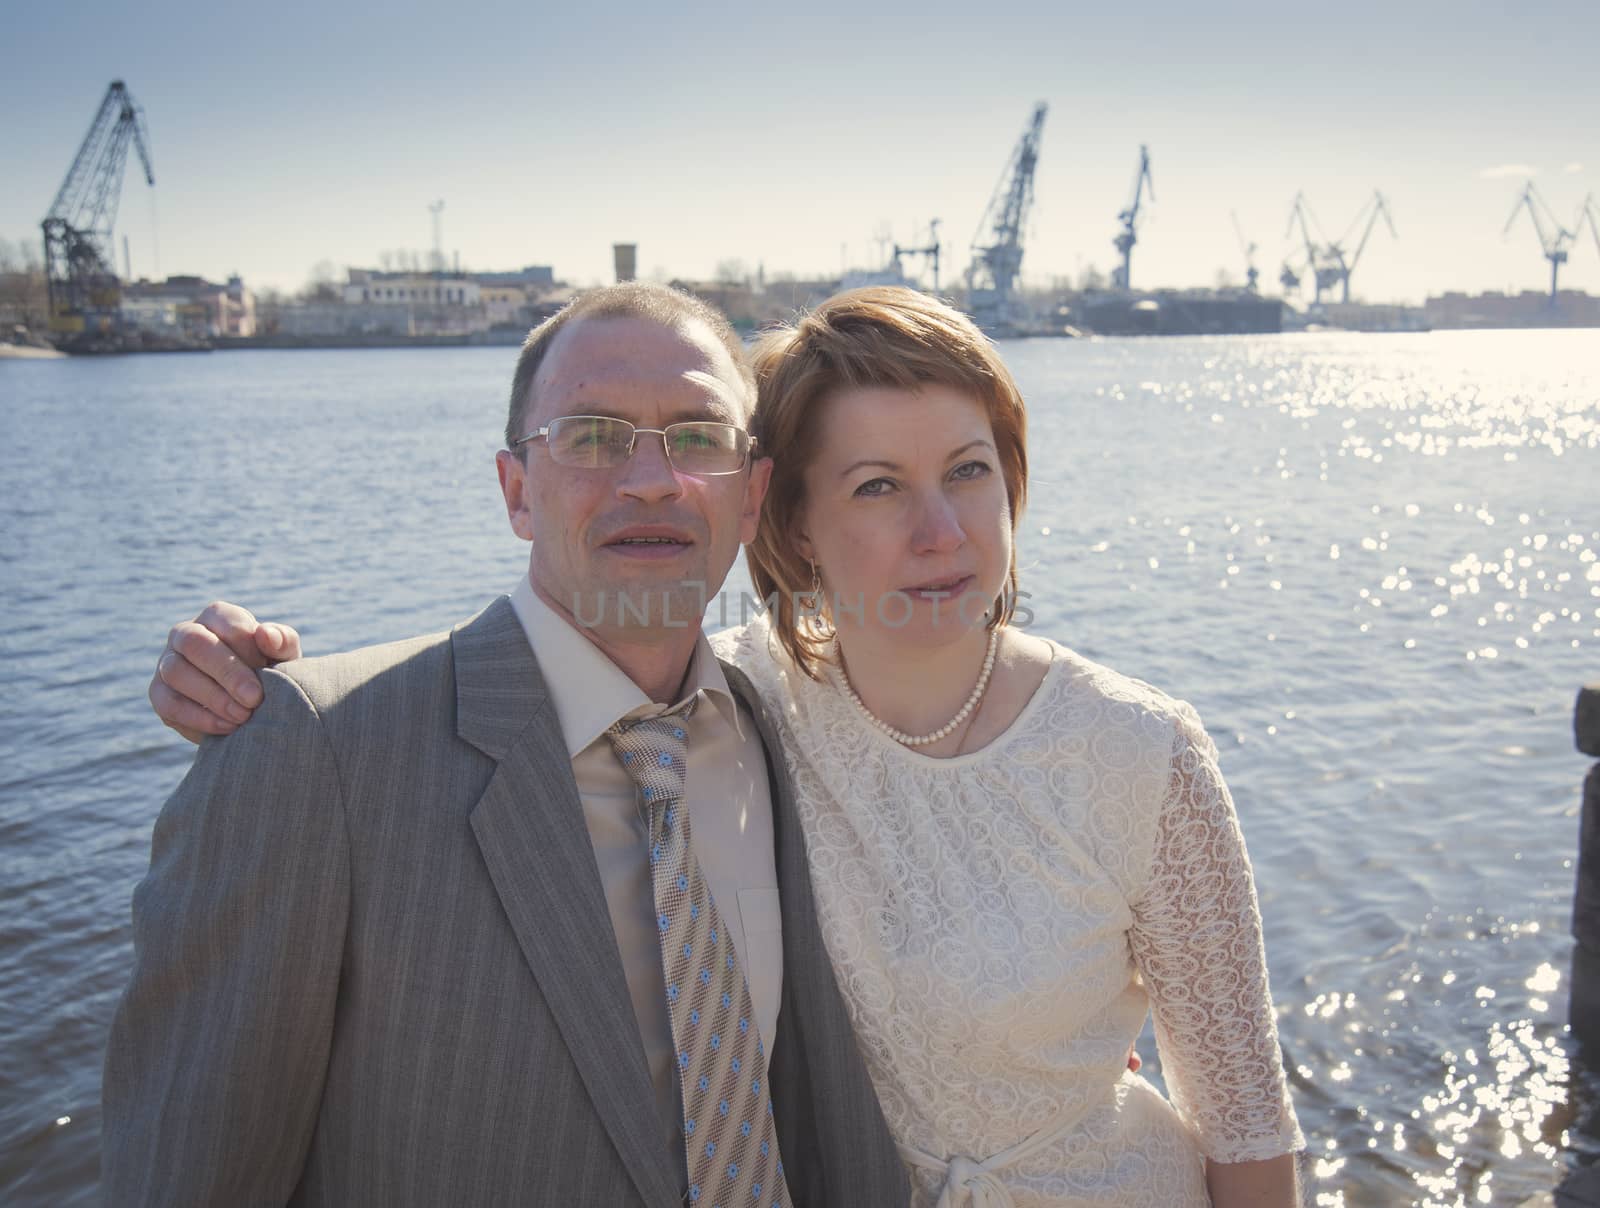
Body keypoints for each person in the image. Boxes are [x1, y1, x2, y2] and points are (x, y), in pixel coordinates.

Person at [150, 287, 1305, 1206]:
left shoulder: (1130, 749)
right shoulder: (737, 699)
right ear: (787, 518)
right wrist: (240, 675)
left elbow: (1246, 1125)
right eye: (876, 485)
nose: (939, 529)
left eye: (968, 471)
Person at [104, 283, 910, 1207]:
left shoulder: (778, 728)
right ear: (517, 490)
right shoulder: (315, 752)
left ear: (753, 495)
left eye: (697, 437)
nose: (651, 478)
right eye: (593, 436)